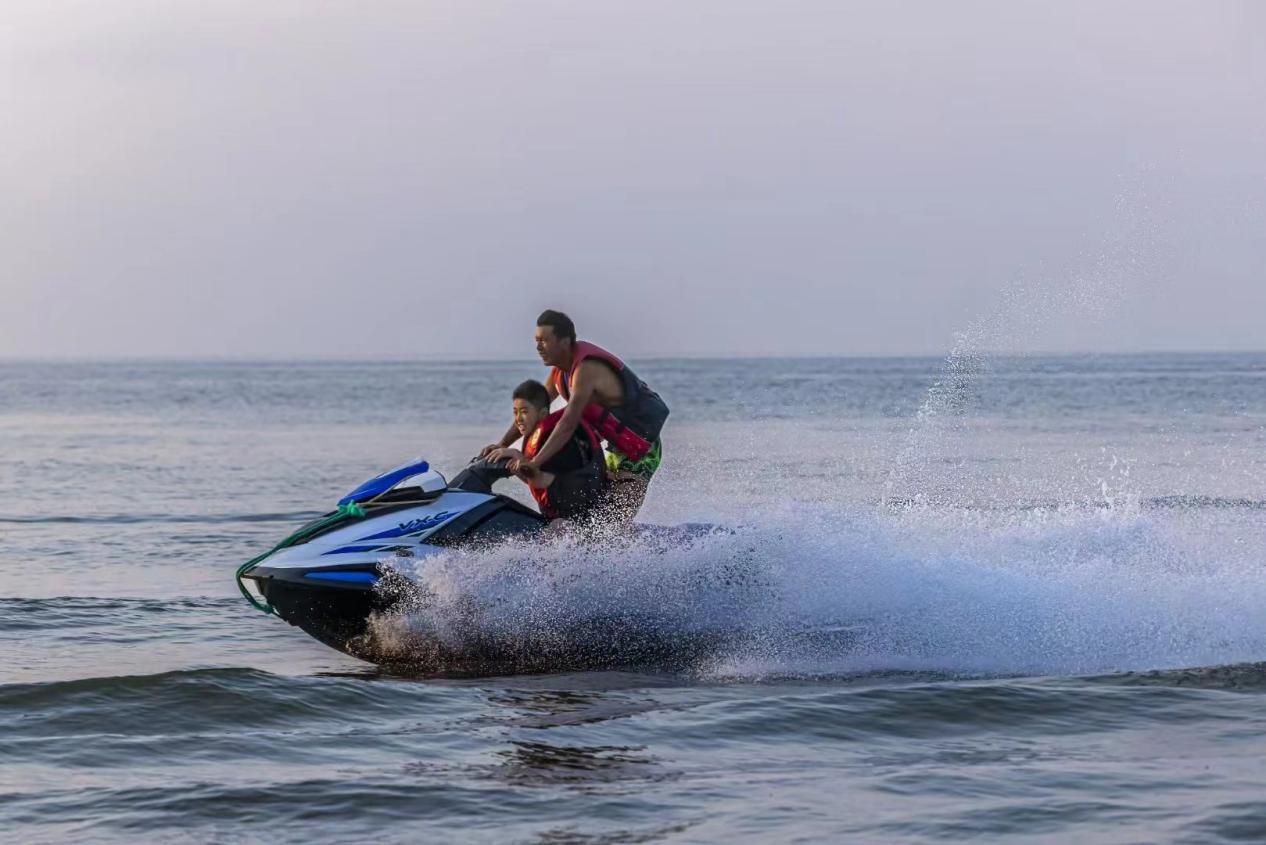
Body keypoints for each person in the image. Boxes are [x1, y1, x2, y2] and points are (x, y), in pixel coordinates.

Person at [482, 310, 669, 521]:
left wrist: (535, 462)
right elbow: (534, 411)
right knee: (592, 517)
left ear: (564, 342)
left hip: (641, 452)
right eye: (536, 341)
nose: (538, 347)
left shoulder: (587, 370)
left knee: (613, 525)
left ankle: (676, 549)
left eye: (544, 340)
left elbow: (568, 422)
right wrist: (502, 444)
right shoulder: (558, 374)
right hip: (611, 450)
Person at [485, 379, 606, 522]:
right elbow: (539, 482)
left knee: (557, 528)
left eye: (524, 412)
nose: (518, 419)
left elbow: (547, 481)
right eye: (515, 412)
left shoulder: (554, 438)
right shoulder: (534, 436)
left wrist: (518, 456)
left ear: (542, 414)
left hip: (578, 519)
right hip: (557, 514)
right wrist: (515, 467)